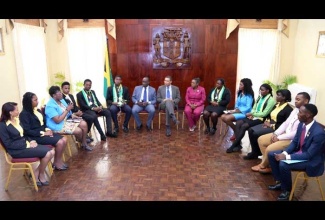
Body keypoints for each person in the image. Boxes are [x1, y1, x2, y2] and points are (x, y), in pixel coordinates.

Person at [267, 103, 325, 201]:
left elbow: (309, 155)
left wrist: (286, 157)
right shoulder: (302, 125)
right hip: (299, 153)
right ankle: (281, 182)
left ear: (308, 115)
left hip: (311, 161)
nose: (298, 114)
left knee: (283, 164)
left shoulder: (319, 133)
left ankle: (287, 191)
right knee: (272, 154)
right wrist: (285, 153)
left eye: (300, 112)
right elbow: (294, 142)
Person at [251, 92, 310, 173]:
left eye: (298, 99)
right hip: (284, 134)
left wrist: (279, 138)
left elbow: (296, 134)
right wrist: (276, 133)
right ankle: (270, 164)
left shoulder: (307, 115)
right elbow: (286, 123)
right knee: (261, 139)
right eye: (295, 99)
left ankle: (263, 165)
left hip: (292, 140)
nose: (295, 101)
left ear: (306, 101)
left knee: (270, 148)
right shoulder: (295, 110)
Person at [0, 102, 55, 186]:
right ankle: (39, 175)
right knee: (48, 153)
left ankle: (37, 173)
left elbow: (24, 134)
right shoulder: (2, 126)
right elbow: (8, 144)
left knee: (52, 152)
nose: (18, 111)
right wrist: (26, 144)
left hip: (26, 145)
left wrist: (31, 141)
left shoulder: (17, 120)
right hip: (16, 150)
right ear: (10, 112)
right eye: (16, 110)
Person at [19, 92, 68, 170]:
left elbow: (44, 123)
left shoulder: (37, 110)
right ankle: (57, 163)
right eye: (35, 100)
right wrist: (43, 133)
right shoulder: (24, 114)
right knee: (60, 142)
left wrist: (48, 130)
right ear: (29, 102)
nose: (37, 101)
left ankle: (57, 161)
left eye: (37, 99)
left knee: (64, 139)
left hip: (44, 133)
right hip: (35, 137)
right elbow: (27, 131)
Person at [244, 89, 293, 160]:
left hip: (277, 128)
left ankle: (257, 152)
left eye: (278, 95)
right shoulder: (276, 105)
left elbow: (285, 124)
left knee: (255, 134)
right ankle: (255, 152)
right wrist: (267, 122)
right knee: (250, 130)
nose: (276, 96)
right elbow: (269, 115)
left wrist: (270, 125)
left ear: (284, 97)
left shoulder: (288, 109)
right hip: (269, 124)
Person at [226, 83, 276, 153]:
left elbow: (264, 113)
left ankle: (234, 145)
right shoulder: (260, 97)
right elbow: (254, 108)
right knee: (239, 122)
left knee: (244, 126)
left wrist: (252, 113)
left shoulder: (271, 100)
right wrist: (252, 114)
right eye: (260, 90)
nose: (261, 92)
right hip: (254, 116)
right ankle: (238, 144)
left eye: (262, 90)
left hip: (261, 119)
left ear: (268, 91)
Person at [45, 86, 93, 151]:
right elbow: (57, 121)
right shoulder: (50, 106)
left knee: (84, 124)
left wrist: (74, 114)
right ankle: (82, 141)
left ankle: (84, 143)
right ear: (54, 95)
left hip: (66, 120)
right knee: (78, 130)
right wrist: (67, 109)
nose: (61, 94)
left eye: (60, 92)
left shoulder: (61, 101)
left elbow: (68, 113)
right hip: (57, 126)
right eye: (59, 93)